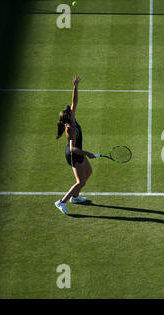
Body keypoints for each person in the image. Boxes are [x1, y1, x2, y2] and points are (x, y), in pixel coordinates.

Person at [54, 75, 95, 215]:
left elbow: (74, 101)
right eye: (70, 111)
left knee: (89, 172)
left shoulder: (72, 118)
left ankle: (75, 198)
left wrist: (75, 87)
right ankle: (62, 202)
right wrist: (87, 153)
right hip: (74, 154)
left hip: (78, 152)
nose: (72, 110)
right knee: (80, 181)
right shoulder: (70, 129)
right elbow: (72, 148)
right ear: (69, 117)